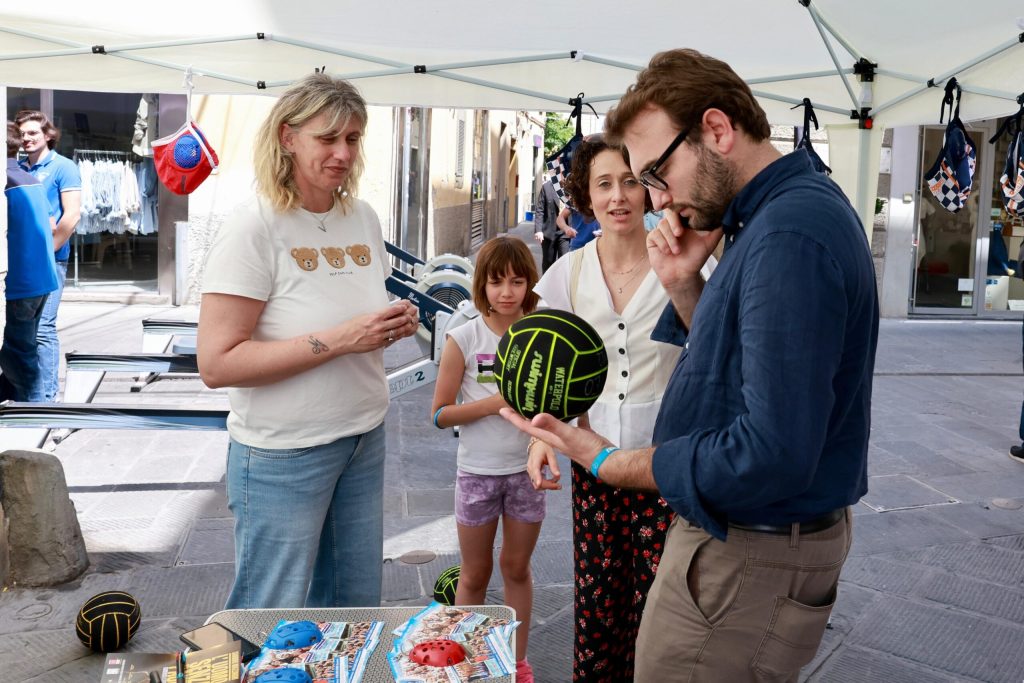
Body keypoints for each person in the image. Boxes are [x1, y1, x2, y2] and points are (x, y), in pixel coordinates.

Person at [504, 48, 878, 682]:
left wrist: (611, 461)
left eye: (656, 171)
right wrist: (682, 284)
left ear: (717, 130)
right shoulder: (771, 217)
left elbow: (773, 449)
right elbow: (745, 372)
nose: (655, 195)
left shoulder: (786, 234)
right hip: (742, 537)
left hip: (751, 549)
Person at [196, 73, 420, 610]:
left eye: (353, 139)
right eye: (328, 138)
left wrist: (391, 323)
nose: (343, 153)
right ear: (288, 137)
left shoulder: (361, 217)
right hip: (284, 452)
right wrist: (344, 338)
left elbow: (354, 315)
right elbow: (217, 363)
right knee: (267, 611)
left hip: (363, 436)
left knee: (353, 605)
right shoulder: (253, 226)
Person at [528, 135, 687, 682]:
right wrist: (540, 438)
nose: (619, 196)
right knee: (598, 611)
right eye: (604, 184)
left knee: (662, 614)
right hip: (594, 464)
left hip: (664, 464)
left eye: (630, 181)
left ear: (646, 189)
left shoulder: (679, 264)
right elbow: (541, 368)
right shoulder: (567, 274)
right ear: (586, 196)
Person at [430, 235, 543, 683]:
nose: (508, 292)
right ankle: (461, 659)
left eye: (517, 281)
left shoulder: (540, 331)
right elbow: (439, 414)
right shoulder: (464, 336)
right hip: (477, 473)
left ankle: (516, 663)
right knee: (474, 574)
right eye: (497, 282)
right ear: (482, 285)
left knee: (517, 567)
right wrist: (496, 403)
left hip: (525, 472)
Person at [15, 110, 81, 402]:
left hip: (52, 260)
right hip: (22, 261)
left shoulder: (64, 167)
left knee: (43, 328)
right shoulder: (17, 168)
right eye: (22, 134)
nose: (27, 139)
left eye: (33, 133)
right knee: (22, 330)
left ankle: (49, 398)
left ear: (48, 135)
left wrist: (48, 248)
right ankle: (29, 393)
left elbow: (72, 216)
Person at [2, 122, 59, 402]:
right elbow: (51, 223)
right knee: (22, 349)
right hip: (43, 278)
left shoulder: (6, 183)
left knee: (19, 354)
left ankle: (39, 414)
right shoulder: (32, 180)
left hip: (21, 281)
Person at [534, 179, 574, 271]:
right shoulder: (546, 187)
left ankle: (562, 284)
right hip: (549, 232)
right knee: (548, 264)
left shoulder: (572, 186)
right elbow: (540, 210)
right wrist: (538, 230)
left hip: (565, 232)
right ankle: (547, 284)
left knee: (564, 262)